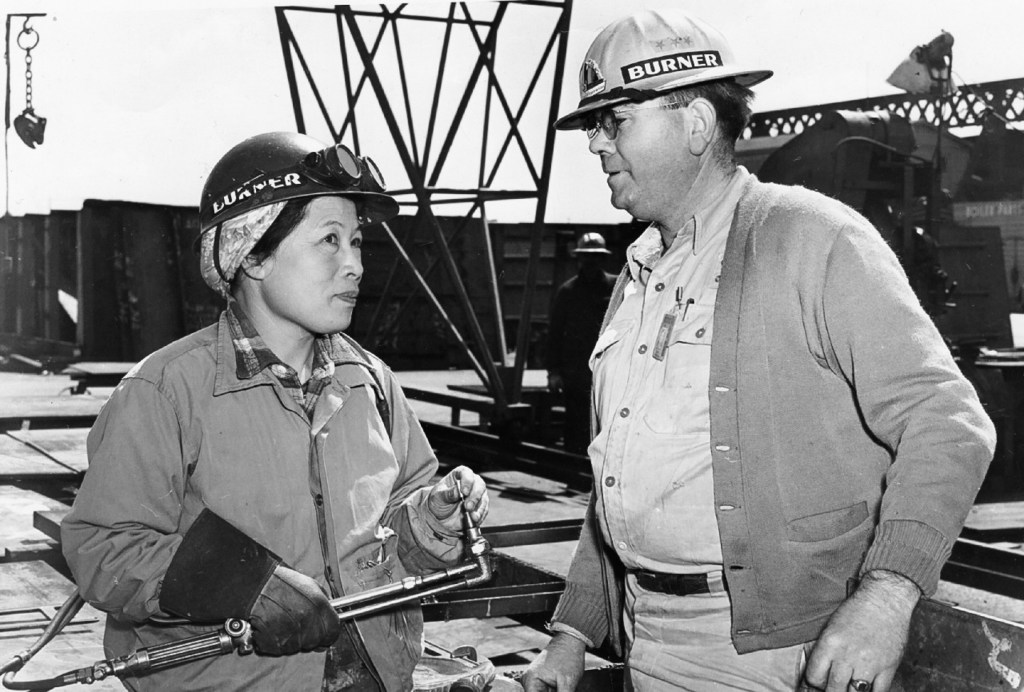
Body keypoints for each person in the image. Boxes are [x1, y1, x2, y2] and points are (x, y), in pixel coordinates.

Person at [523, 10, 995, 692]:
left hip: (764, 657)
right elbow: (623, 477)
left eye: (614, 120)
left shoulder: (812, 238)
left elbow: (948, 423)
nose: (595, 144)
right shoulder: (641, 271)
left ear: (695, 124)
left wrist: (888, 595)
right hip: (645, 634)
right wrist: (573, 634)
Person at [61, 132, 490, 692]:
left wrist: (433, 519)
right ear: (253, 253)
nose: (355, 264)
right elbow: (103, 546)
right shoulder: (165, 392)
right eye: (329, 241)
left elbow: (393, 526)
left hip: (375, 678)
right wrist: (241, 584)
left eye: (358, 241)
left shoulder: (372, 381)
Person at [546, 232, 617, 454]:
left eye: (595, 257)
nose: (590, 262)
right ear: (579, 259)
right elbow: (555, 334)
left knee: (608, 423)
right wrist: (554, 372)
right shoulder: (568, 291)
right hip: (575, 372)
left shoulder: (617, 288)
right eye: (586, 257)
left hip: (609, 370)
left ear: (603, 259)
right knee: (575, 424)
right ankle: (573, 476)